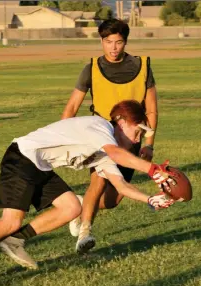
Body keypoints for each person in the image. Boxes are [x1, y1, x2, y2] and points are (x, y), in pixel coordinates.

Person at [0, 100, 175, 286]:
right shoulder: (100, 128)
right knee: (10, 221)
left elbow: (121, 185)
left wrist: (151, 199)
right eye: (137, 130)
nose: (138, 138)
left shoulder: (106, 149)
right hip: (22, 158)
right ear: (121, 121)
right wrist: (153, 169)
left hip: (38, 165)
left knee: (72, 207)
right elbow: (119, 154)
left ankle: (14, 240)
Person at [61, 18, 159, 253]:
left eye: (118, 42)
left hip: (131, 140)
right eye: (108, 42)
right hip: (101, 137)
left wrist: (149, 143)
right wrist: (67, 138)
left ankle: (81, 206)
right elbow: (72, 106)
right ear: (101, 41)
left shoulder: (142, 65)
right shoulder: (91, 68)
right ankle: (85, 232)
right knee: (99, 178)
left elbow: (152, 108)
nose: (113, 48)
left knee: (113, 200)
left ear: (125, 42)